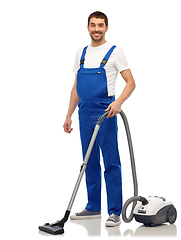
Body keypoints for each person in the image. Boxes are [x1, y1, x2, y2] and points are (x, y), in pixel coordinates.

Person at [63, 11, 135, 227]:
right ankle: (94, 207)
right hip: (84, 113)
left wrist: (119, 102)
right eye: (93, 25)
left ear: (106, 27)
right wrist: (68, 114)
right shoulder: (81, 53)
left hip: (106, 113)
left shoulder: (115, 52)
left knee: (111, 163)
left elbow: (130, 82)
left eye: (100, 25)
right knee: (89, 162)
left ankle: (115, 212)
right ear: (88, 27)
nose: (96, 29)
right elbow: (77, 87)